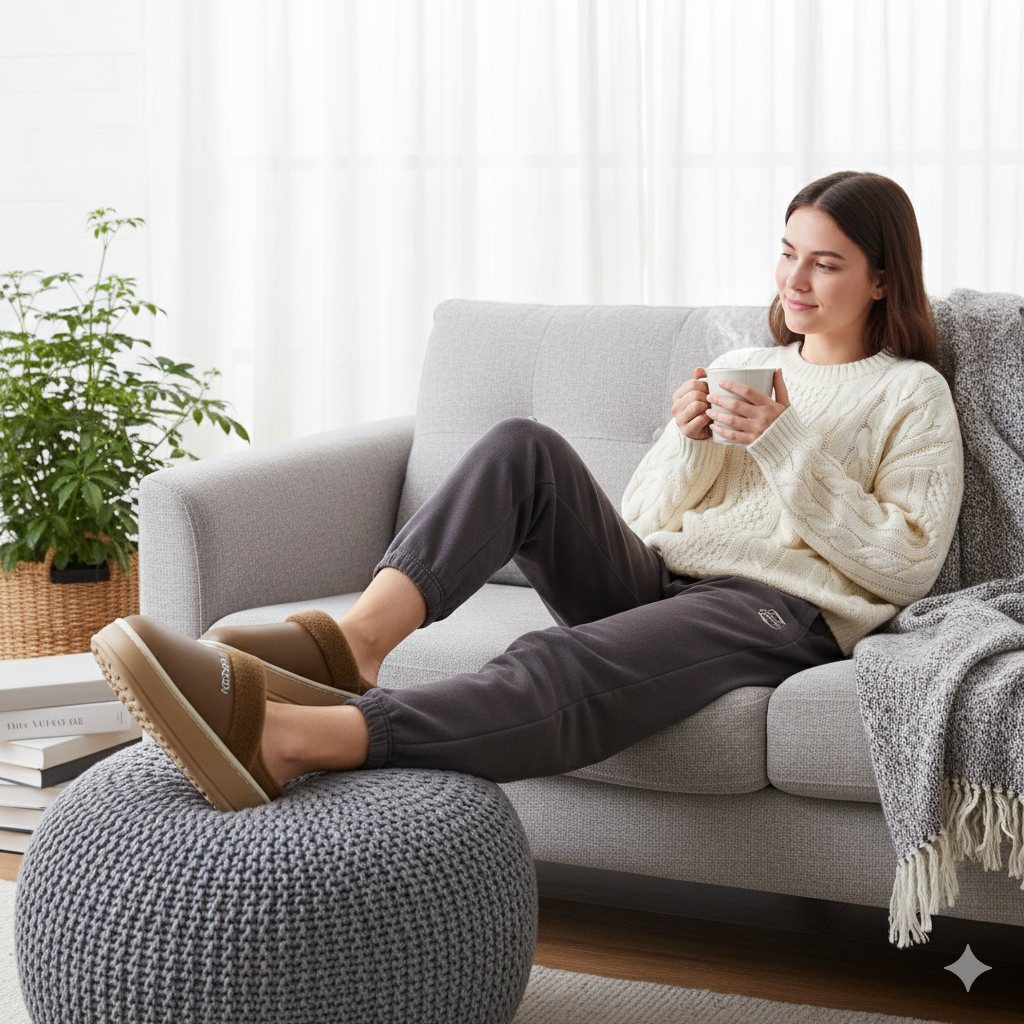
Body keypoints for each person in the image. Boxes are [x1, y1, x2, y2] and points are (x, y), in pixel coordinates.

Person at [91, 170, 965, 813]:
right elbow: (646, 521)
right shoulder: (755, 365)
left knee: (555, 662)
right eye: (786, 255)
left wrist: (783, 447)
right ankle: (355, 644)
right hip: (659, 583)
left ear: (881, 279)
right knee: (522, 448)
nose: (794, 282)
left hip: (778, 613)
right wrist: (688, 438)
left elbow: (903, 565)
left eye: (825, 264)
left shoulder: (909, 392)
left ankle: (301, 740)